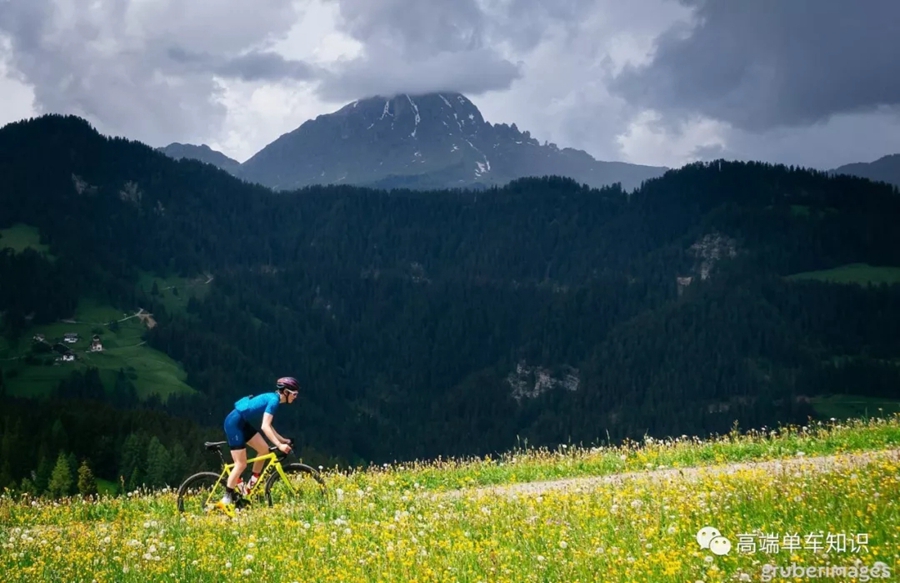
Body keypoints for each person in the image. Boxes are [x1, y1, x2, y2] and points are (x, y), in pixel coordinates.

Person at [215, 376, 300, 516]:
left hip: (241, 422)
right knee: (240, 464)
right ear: (286, 392)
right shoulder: (274, 401)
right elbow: (265, 427)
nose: (295, 397)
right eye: (294, 394)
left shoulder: (274, 399)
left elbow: (268, 426)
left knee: (263, 450)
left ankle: (248, 489)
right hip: (233, 424)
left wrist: (282, 440)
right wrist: (279, 445)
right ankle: (226, 499)